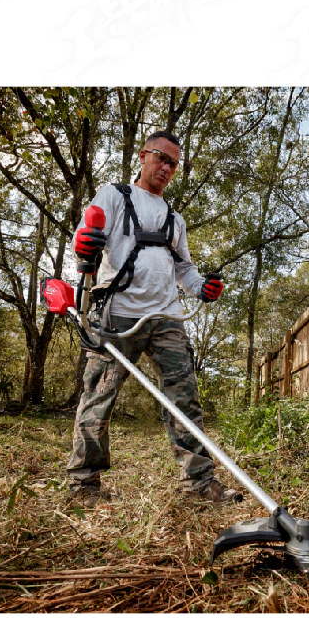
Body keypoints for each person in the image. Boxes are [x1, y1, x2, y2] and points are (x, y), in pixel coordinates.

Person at [66, 130, 242, 507]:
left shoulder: (174, 219)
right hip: (116, 315)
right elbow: (86, 236)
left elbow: (185, 270)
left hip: (167, 318)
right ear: (143, 156)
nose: (166, 167)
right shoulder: (114, 195)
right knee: (98, 397)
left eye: (173, 164)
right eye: (161, 158)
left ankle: (198, 483)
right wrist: (84, 245)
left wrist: (202, 287)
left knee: (184, 399)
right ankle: (84, 484)